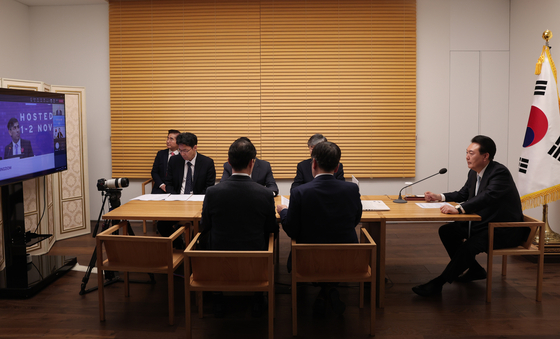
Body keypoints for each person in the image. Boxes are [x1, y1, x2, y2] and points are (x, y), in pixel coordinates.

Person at [412, 135, 529, 297]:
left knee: (471, 245)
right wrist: (439, 196)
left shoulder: (499, 173)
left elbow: (487, 196)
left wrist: (459, 210)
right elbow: (463, 193)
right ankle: (475, 270)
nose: (467, 157)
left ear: (485, 156)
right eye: (466, 152)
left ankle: (438, 283)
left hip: (504, 229)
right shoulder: (475, 173)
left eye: (471, 153)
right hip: (485, 223)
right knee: (447, 231)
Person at [277, 141, 362, 316]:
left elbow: (292, 229)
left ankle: (325, 291)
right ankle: (327, 291)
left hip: (307, 260)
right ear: (337, 167)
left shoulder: (300, 192)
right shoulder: (352, 189)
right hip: (346, 259)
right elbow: (355, 220)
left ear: (313, 164)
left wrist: (283, 212)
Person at [200, 137, 278, 318]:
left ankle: (217, 297)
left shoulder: (212, 192)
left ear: (229, 162)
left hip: (220, 255)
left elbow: (206, 225)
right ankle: (258, 297)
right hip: (255, 257)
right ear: (252, 163)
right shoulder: (265, 194)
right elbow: (272, 228)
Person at [159, 132, 216, 246]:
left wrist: (195, 200)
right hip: (177, 202)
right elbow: (169, 183)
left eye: (186, 150)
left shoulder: (207, 162)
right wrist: (177, 199)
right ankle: (180, 246)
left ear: (195, 147)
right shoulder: (174, 161)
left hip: (198, 204)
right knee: (161, 225)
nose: (182, 154)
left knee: (206, 226)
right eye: (180, 150)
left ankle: (195, 248)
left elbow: (209, 187)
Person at [150, 129, 180, 194]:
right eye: (167, 138)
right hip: (160, 188)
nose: (167, 141)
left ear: (178, 142)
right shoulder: (160, 154)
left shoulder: (182, 155)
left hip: (175, 189)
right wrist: (162, 185)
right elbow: (154, 172)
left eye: (171, 139)